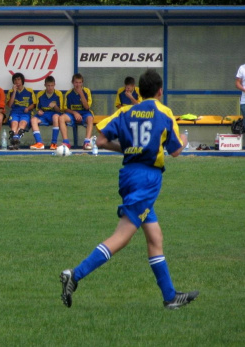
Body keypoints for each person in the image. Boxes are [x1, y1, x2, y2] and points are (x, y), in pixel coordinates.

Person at [59, 69, 198, 310]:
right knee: (121, 237)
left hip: (129, 176)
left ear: (140, 91)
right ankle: (75, 275)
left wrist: (126, 149)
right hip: (147, 179)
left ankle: (170, 297)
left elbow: (100, 141)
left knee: (155, 238)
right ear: (160, 91)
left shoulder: (126, 111)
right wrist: (185, 140)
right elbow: (176, 151)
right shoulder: (164, 112)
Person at [60, 73, 94, 150]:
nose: (78, 85)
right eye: (76, 82)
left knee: (90, 118)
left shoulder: (86, 91)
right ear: (72, 82)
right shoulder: (69, 93)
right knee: (61, 118)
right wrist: (74, 113)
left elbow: (87, 107)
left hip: (84, 113)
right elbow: (65, 108)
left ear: (82, 83)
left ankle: (86, 142)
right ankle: (66, 142)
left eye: (79, 82)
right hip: (72, 113)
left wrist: (81, 93)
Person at [31, 75, 64, 150]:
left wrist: (55, 106)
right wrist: (39, 111)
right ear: (45, 85)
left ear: (54, 85)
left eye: (52, 85)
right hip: (44, 115)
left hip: (54, 114)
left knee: (56, 117)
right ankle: (39, 143)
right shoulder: (40, 94)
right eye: (48, 85)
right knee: (33, 120)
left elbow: (61, 110)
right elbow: (38, 108)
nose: (50, 87)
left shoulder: (59, 94)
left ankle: (54, 143)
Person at [6, 72, 36, 150]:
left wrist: (28, 108)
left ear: (22, 81)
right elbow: (9, 105)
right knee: (14, 124)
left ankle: (15, 141)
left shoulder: (29, 91)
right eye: (15, 80)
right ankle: (15, 142)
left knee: (22, 124)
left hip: (25, 112)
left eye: (19, 79)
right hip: (15, 112)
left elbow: (34, 104)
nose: (17, 81)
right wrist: (14, 92)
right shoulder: (11, 92)